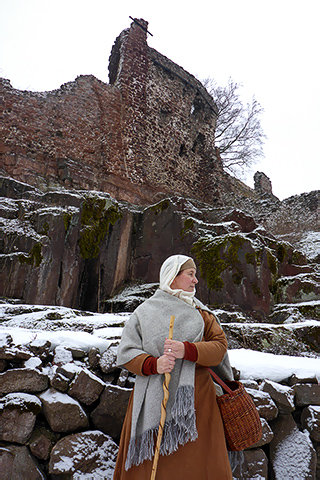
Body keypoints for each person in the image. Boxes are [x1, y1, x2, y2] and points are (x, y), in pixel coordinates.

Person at [113, 254, 233, 479]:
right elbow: (127, 352)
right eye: (190, 274)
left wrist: (187, 350)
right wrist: (153, 364)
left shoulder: (202, 314)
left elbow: (219, 348)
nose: (195, 280)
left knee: (199, 463)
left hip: (197, 404)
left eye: (195, 275)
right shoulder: (144, 312)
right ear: (172, 277)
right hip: (153, 402)